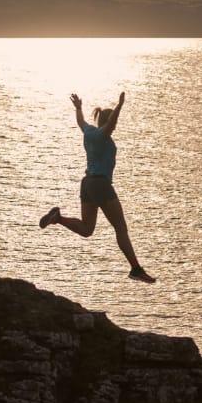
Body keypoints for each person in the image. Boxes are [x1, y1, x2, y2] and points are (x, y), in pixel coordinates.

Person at [39, 91, 156, 284]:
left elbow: (81, 122)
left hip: (87, 184)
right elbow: (111, 124)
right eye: (112, 123)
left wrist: (78, 109)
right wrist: (120, 106)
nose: (114, 127)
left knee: (87, 229)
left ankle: (58, 218)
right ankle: (135, 268)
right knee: (121, 228)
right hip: (101, 184)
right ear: (108, 122)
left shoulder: (89, 132)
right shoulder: (102, 135)